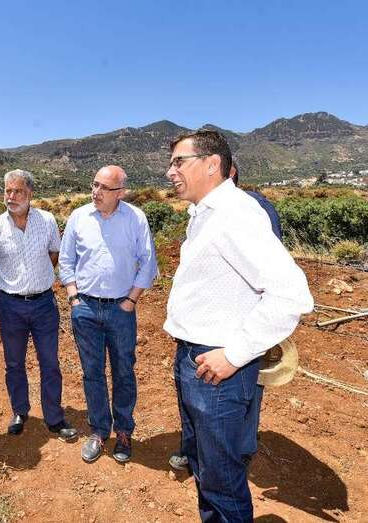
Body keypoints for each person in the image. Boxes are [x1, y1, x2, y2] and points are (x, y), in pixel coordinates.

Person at [164, 129, 313, 521]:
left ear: (212, 164)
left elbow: (291, 295)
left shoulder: (235, 214)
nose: (169, 171)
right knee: (206, 469)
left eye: (179, 162)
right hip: (196, 359)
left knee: (222, 483)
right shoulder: (206, 215)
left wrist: (233, 355)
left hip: (218, 371)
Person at [168, 157, 283, 472]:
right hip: (199, 331)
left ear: (227, 172)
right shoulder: (202, 212)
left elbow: (272, 279)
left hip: (232, 333)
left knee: (244, 390)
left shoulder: (251, 209)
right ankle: (194, 451)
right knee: (193, 401)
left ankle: (238, 452)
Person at [59, 165, 158, 463]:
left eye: (104, 187)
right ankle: (99, 430)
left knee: (124, 371)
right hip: (85, 308)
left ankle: (124, 431)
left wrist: (131, 300)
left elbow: (148, 262)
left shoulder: (135, 218)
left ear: (121, 192)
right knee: (92, 372)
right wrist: (73, 296)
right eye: (94, 184)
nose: (96, 192)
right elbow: (66, 259)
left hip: (121, 309)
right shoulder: (79, 217)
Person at [0, 169, 77, 440]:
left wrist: (38, 276)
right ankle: (19, 411)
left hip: (44, 304)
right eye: (8, 191)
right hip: (10, 305)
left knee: (50, 362)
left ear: (30, 193)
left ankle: (54, 417)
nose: (11, 196)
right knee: (14, 362)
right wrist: (11, 280)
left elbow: (55, 252)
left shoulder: (47, 220)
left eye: (18, 191)